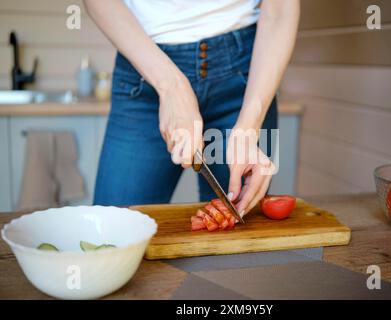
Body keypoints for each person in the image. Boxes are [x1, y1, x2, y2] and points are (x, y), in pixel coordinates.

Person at [85, 0, 300, 218]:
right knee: (111, 229)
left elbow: (280, 9)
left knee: (238, 236)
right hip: (144, 67)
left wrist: (250, 125)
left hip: (248, 79)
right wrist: (171, 86)